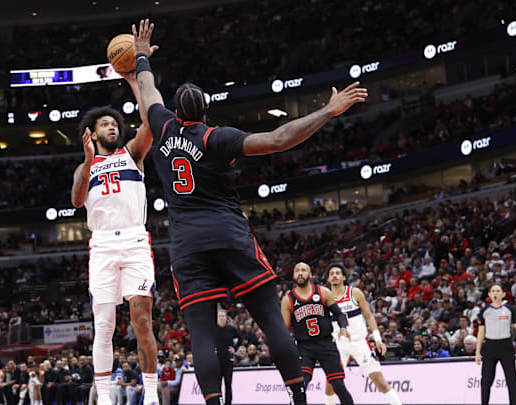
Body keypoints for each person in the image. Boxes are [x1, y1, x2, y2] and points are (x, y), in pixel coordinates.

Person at [130, 18, 367, 405]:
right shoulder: (216, 136)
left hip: (188, 245)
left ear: (175, 112)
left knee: (202, 335)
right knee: (272, 320)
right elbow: (277, 139)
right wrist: (328, 111)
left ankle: (211, 401)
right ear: (205, 111)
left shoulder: (161, 125)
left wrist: (142, 55)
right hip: (229, 234)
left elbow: (147, 88)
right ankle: (298, 398)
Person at [70, 67, 159, 405]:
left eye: (115, 124)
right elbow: (77, 200)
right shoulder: (84, 167)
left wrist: (137, 84)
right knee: (104, 325)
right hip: (103, 245)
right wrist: (89, 163)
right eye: (105, 124)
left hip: (135, 241)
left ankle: (151, 395)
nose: (112, 127)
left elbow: (150, 123)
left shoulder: (132, 153)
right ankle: (104, 397)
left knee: (141, 320)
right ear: (91, 133)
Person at [324, 264, 402, 405]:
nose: (334, 275)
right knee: (331, 382)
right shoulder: (325, 298)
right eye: (331, 273)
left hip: (360, 342)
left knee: (379, 381)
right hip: (338, 344)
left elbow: (369, 316)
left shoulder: (355, 293)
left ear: (343, 277)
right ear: (328, 278)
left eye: (337, 273)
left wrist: (378, 339)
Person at [282, 262, 354, 405]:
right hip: (304, 348)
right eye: (297, 271)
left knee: (339, 386)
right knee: (300, 387)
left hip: (326, 344)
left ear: (310, 275)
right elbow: (283, 330)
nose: (300, 273)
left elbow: (339, 315)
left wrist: (343, 328)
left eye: (304, 270)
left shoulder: (322, 292)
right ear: (293, 276)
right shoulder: (288, 299)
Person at [476, 284, 516, 405]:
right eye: (493, 291)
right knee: (486, 381)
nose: (495, 293)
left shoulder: (510, 309)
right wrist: (477, 352)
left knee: (511, 380)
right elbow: (481, 333)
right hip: (489, 347)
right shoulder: (484, 311)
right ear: (489, 295)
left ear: (503, 294)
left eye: (498, 291)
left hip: (506, 346)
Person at [216, 309, 239, 405]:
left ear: (226, 318)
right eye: (219, 316)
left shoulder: (231, 329)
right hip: (216, 360)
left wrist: (235, 348)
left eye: (223, 316)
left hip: (228, 360)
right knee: (217, 384)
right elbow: (206, 341)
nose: (221, 318)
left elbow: (241, 338)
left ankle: (228, 403)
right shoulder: (213, 329)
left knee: (228, 384)